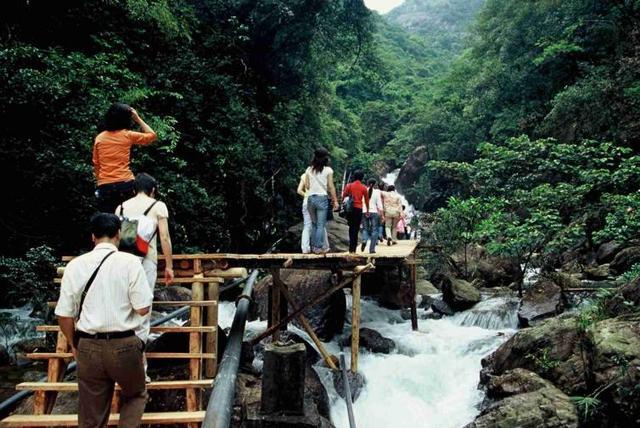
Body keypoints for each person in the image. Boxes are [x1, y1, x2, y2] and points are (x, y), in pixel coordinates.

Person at [55, 213, 153, 428]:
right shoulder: (131, 263)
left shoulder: (75, 265)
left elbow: (64, 314)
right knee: (135, 395)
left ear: (93, 237)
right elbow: (143, 308)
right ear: (118, 234)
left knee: (91, 413)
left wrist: (74, 344)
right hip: (125, 345)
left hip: (88, 346)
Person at [117, 173, 174, 345]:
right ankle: (139, 354)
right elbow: (164, 237)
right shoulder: (158, 206)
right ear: (153, 190)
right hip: (147, 259)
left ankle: (121, 348)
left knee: (124, 302)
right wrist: (169, 266)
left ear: (134, 189)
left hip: (123, 260)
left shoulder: (120, 208)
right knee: (144, 303)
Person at [93, 103, 157, 213]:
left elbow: (96, 164)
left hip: (105, 185)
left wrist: (101, 182)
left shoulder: (100, 138)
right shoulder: (127, 135)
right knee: (128, 221)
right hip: (125, 183)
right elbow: (152, 136)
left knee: (107, 223)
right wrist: (137, 118)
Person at [304, 148, 339, 254]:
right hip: (322, 198)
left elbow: (307, 185)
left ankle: (314, 247)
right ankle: (318, 248)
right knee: (320, 225)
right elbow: (331, 187)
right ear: (325, 158)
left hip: (310, 198)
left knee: (314, 224)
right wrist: (335, 201)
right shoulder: (328, 170)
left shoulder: (309, 169)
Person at [297, 173, 329, 254]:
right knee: (320, 225)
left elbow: (299, 190)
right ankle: (324, 246)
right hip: (318, 202)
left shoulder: (305, 175)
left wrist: (306, 195)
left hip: (307, 202)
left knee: (307, 225)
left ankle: (305, 248)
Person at [342, 170, 369, 253]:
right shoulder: (364, 187)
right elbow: (367, 200)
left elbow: (344, 196)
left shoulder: (349, 186)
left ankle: (351, 248)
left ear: (354, 176)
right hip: (358, 209)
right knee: (356, 229)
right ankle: (353, 249)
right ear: (362, 177)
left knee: (351, 227)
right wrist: (367, 210)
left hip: (350, 209)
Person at [360, 178, 383, 253]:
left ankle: (364, 240)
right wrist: (382, 215)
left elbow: (360, 201)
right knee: (374, 230)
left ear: (367, 183)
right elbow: (379, 205)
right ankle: (372, 249)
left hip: (364, 211)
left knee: (365, 229)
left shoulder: (363, 190)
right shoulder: (377, 192)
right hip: (374, 212)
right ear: (375, 184)